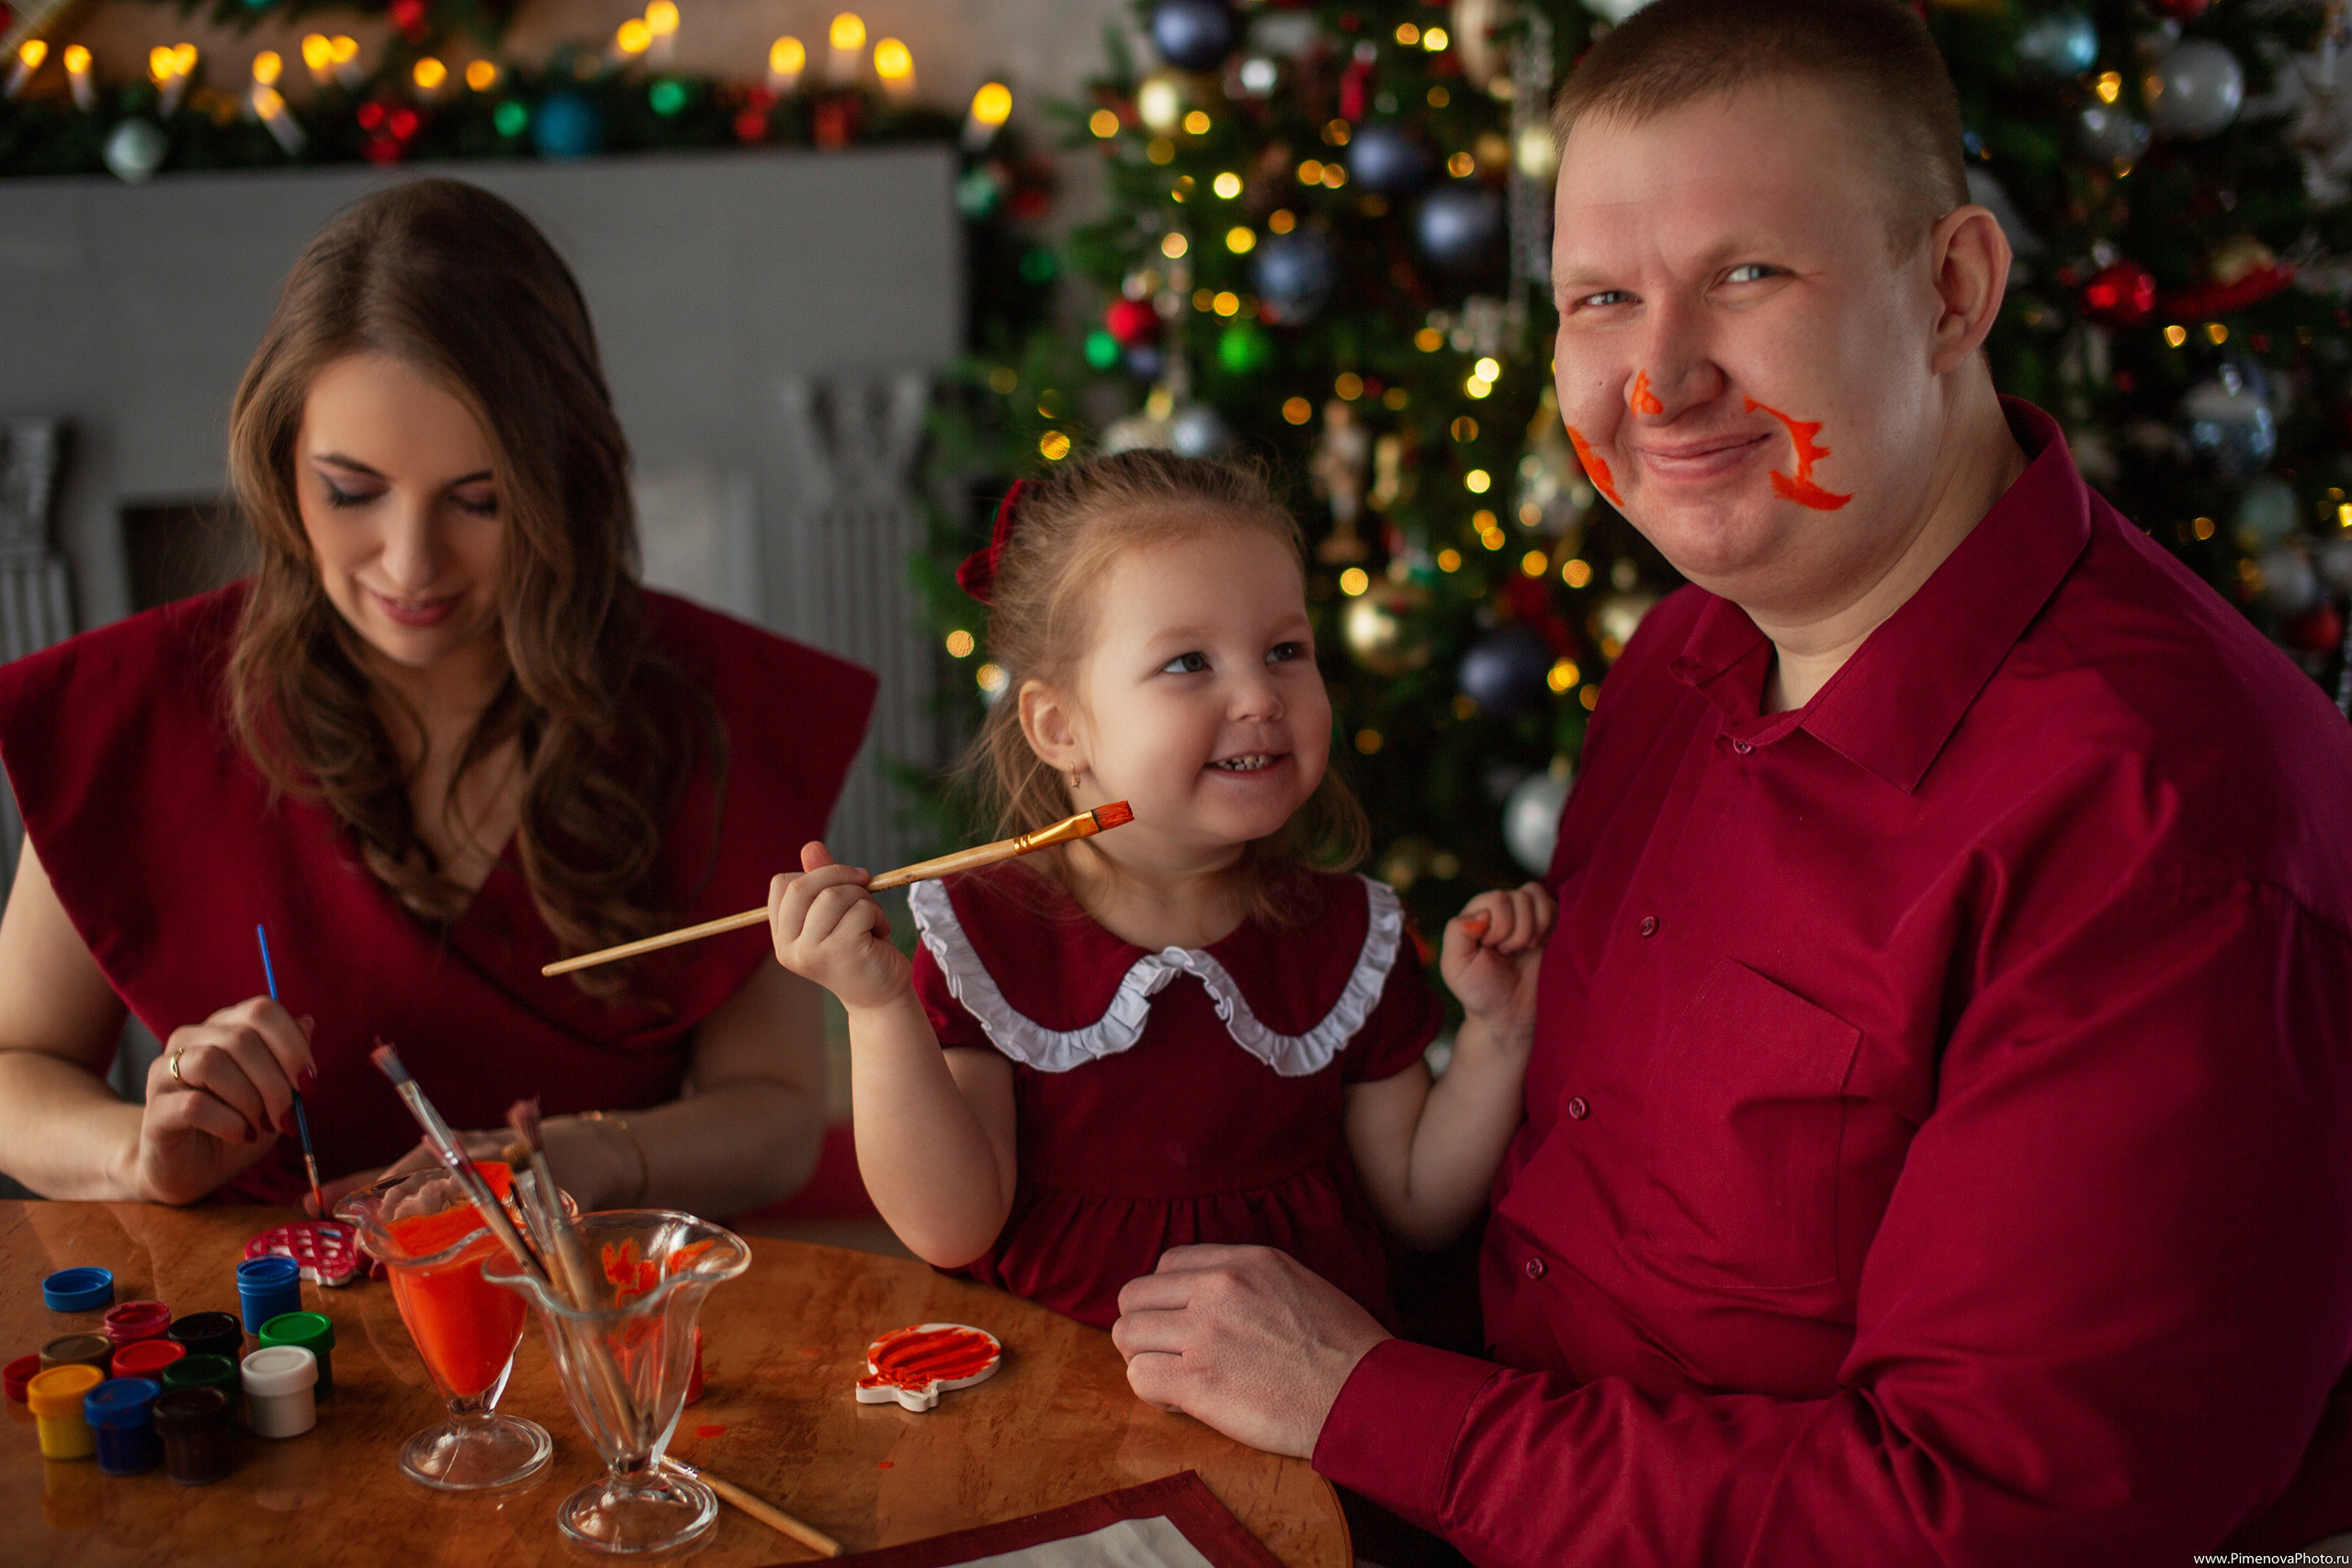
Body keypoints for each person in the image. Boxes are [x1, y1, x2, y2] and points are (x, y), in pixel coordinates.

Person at [1106, 1, 2352, 1561]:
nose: (1659, 379)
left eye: (1747, 275)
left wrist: (1368, 1401)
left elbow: (1984, 1517)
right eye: (1603, 297)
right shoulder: (1690, 655)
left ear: (1954, 288)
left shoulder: (2168, 821)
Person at [0, 179, 872, 1221]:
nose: (411, 565)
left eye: (480, 500)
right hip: (265, 1325)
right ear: (282, 465)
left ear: (565, 482)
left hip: (586, 1306)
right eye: (352, 491)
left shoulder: (718, 707)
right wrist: (135, 1155)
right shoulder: (133, 703)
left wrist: (577, 1163)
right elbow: (18, 1066)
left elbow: (777, 1116)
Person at [763, 452, 1555, 1328]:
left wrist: (1497, 1032)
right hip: (1070, 1403)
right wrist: (877, 1009)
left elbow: (1416, 1200)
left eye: (1286, 650)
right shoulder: (990, 936)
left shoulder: (1348, 935)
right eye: (1188, 663)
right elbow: (952, 1227)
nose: (1260, 694)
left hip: (1300, 1401)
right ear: (1061, 727)